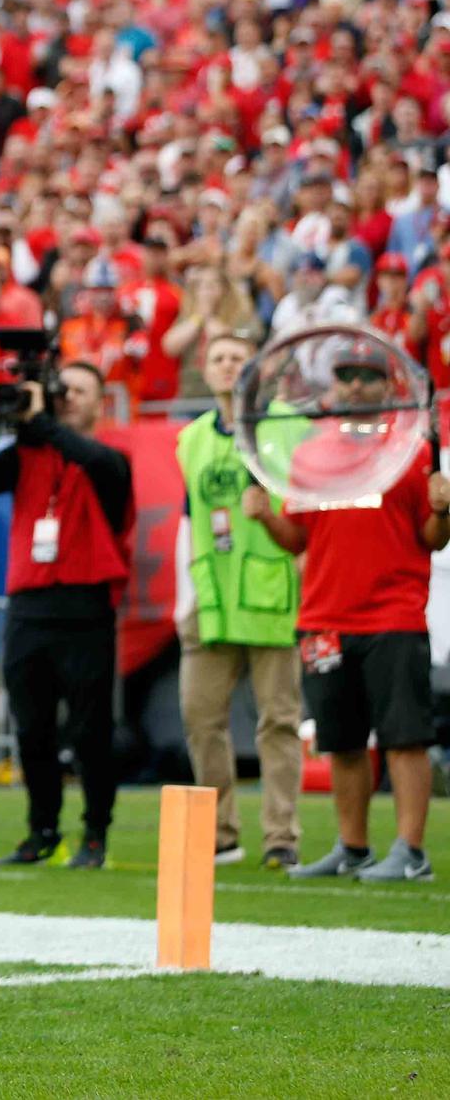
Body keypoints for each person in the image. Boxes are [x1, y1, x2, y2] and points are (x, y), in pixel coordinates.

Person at [241, 339, 443, 883]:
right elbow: (297, 539)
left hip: (392, 617)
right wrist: (263, 518)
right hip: (324, 617)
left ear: (388, 386)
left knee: (404, 738)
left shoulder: (412, 451)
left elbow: (433, 538)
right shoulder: (312, 452)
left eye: (367, 376)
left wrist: (445, 509)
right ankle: (353, 848)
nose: (355, 386)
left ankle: (412, 852)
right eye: (346, 376)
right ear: (332, 386)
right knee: (341, 741)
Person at [0, 361, 133, 870]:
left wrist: (40, 422)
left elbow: (90, 458)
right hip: (29, 605)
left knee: (89, 730)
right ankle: (41, 830)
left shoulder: (109, 457)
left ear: (100, 402)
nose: (70, 397)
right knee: (31, 728)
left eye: (82, 391)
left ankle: (95, 832)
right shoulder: (27, 455)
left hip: (85, 605)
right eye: (65, 390)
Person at [173, 332, 303, 870]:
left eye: (237, 359)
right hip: (212, 599)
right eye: (218, 359)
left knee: (278, 721)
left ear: (256, 370)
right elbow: (188, 520)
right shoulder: (192, 439)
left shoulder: (290, 428)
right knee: (200, 718)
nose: (228, 367)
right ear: (206, 371)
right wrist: (185, 596)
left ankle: (281, 835)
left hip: (272, 595)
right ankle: (220, 833)